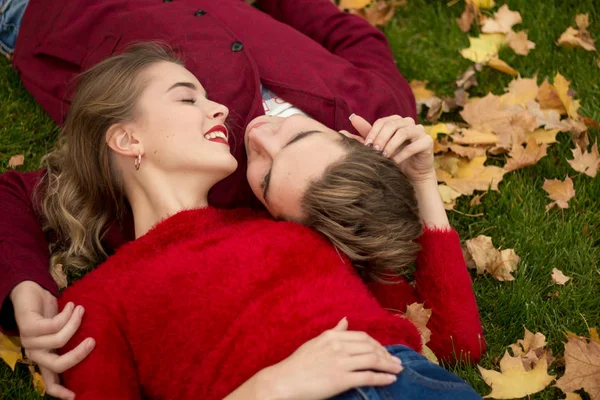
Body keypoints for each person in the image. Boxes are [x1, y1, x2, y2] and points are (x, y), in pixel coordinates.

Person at [0, 0, 480, 398]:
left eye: (265, 177)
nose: (238, 121)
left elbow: (451, 339)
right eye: (191, 97)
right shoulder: (372, 113)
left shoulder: (298, 223)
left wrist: (423, 186)